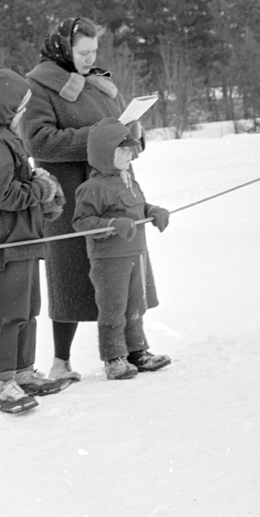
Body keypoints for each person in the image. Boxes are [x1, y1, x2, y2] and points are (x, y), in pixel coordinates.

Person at [24, 16, 163, 380]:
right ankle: (61, 361)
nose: (89, 59)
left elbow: (112, 132)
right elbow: (37, 140)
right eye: (83, 52)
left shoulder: (99, 84)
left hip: (116, 193)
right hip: (72, 195)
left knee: (124, 275)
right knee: (68, 275)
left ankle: (134, 349)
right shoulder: (40, 85)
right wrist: (96, 138)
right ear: (63, 48)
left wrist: (131, 135)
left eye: (94, 51)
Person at [0, 66, 73, 415]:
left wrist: (35, 182)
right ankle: (2, 384)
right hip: (4, 237)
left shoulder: (4, 138)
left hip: (23, 235)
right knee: (10, 311)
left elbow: (14, 184)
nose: (23, 116)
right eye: (19, 110)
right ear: (3, 109)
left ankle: (24, 371)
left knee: (29, 308)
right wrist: (37, 189)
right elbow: (3, 196)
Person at [71, 119, 171, 380]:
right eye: (123, 151)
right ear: (105, 154)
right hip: (109, 260)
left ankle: (137, 351)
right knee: (114, 308)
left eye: (130, 150)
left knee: (136, 305)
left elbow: (137, 207)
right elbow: (81, 223)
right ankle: (114, 358)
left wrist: (153, 212)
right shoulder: (92, 188)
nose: (130, 155)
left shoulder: (127, 180)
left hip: (136, 254)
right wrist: (112, 224)